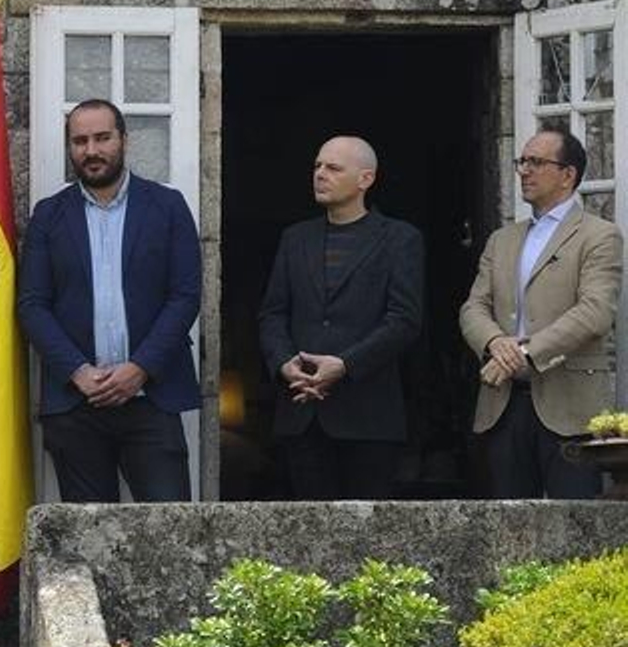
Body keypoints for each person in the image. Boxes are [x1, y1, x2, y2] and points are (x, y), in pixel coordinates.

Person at [17, 98, 202, 503]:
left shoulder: (167, 207)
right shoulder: (48, 216)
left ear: (124, 140)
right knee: (87, 547)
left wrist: (140, 368)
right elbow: (32, 304)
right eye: (80, 141)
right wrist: (78, 371)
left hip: (151, 398)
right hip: (75, 404)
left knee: (168, 534)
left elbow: (185, 296)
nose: (92, 150)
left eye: (102, 138)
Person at [460, 123, 623, 498]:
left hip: (568, 405)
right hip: (503, 405)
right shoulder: (502, 239)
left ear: (567, 175)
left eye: (536, 162)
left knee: (571, 526)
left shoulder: (599, 235)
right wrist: (495, 342)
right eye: (521, 162)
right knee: (509, 527)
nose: (524, 171)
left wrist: (524, 353)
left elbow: (595, 312)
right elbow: (473, 307)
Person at [257, 136, 424, 499]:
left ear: (365, 179)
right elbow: (273, 314)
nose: (320, 174)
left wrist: (345, 365)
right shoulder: (295, 238)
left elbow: (404, 320)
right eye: (317, 166)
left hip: (368, 415)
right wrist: (284, 364)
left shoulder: (399, 239)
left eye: (333, 168)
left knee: (367, 540)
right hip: (302, 412)